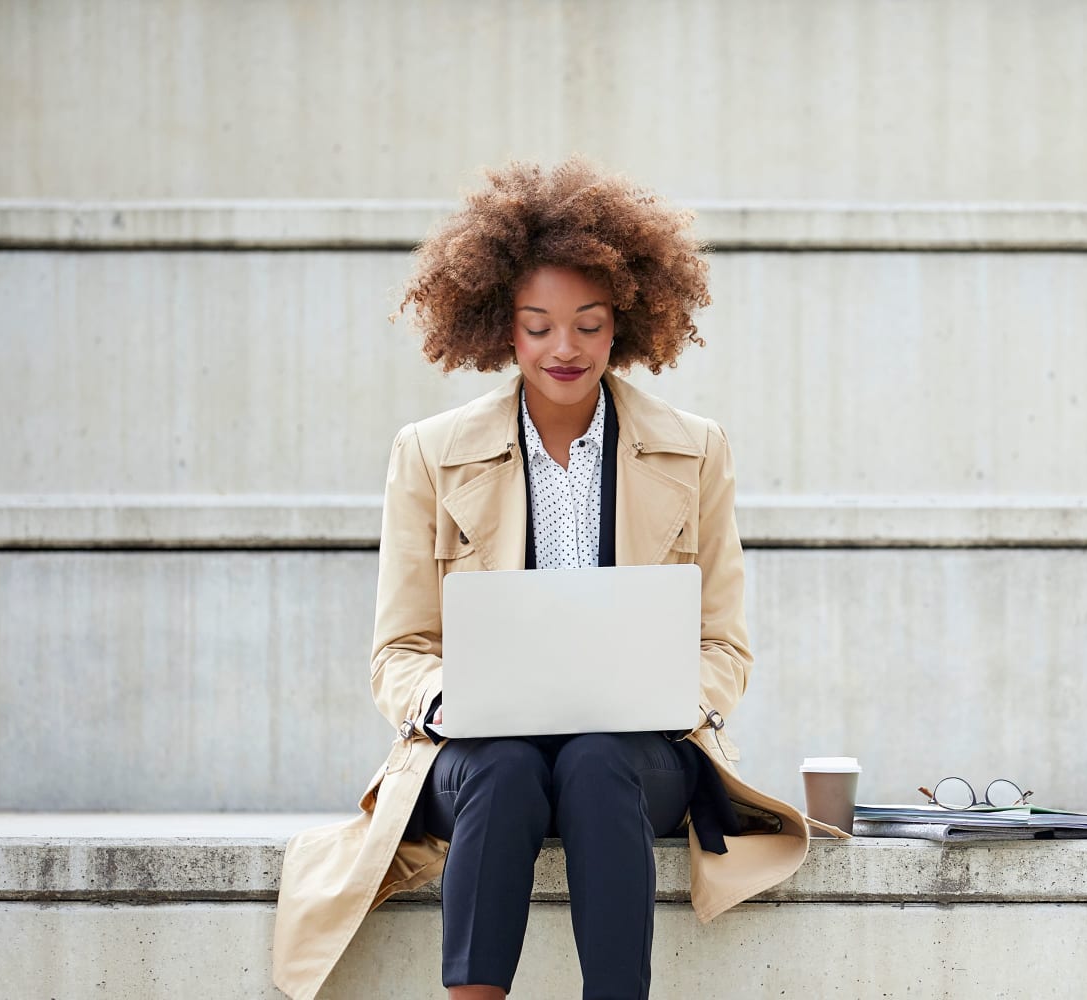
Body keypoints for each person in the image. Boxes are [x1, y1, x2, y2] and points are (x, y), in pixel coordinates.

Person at [270, 156, 845, 1000]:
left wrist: (682, 696)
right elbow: (400, 648)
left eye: (588, 322)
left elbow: (722, 641)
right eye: (537, 325)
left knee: (596, 759)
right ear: (502, 327)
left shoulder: (696, 448)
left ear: (626, 323)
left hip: (635, 755)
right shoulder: (428, 453)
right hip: (477, 752)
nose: (564, 348)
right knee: (503, 766)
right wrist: (441, 704)